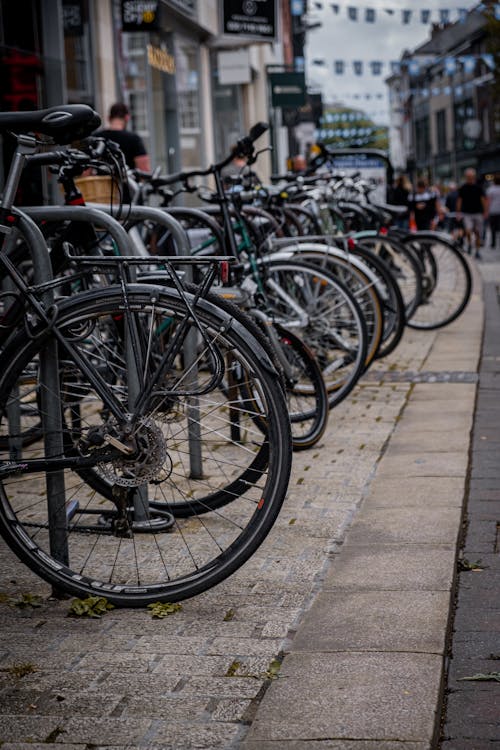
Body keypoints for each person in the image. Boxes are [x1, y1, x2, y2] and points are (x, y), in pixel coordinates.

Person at [96, 102, 151, 172]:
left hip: (100, 182)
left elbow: (86, 172)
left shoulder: (97, 138)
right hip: (127, 181)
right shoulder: (134, 139)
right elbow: (144, 169)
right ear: (127, 117)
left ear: (108, 118)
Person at [456, 168, 488, 258]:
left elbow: (483, 200)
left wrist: (485, 211)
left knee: (478, 233)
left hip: (478, 213)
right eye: (468, 176)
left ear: (473, 177)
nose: (469, 178)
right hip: (467, 213)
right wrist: (458, 212)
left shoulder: (478, 187)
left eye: (471, 176)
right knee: (468, 231)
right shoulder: (463, 188)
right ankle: (470, 244)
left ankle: (477, 251)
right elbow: (459, 200)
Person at [486, 174, 500, 250]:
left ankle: (493, 243)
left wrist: (486, 211)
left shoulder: (490, 189)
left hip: (493, 211)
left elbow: (488, 201)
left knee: (493, 228)